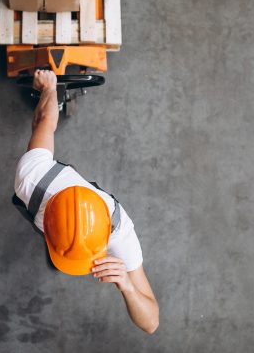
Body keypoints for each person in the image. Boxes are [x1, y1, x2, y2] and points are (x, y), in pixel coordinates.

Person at [13, 69, 159, 334]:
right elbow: (45, 119)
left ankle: (61, 249)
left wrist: (126, 284)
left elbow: (151, 322)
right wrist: (50, 89)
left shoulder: (121, 235)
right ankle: (59, 248)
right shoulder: (31, 179)